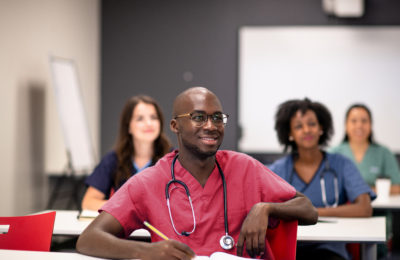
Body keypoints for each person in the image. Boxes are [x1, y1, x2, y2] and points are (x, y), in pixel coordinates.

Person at [76, 87, 318, 260]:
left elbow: (308, 209)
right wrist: (146, 251)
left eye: (217, 118)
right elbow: (89, 239)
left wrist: (266, 208)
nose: (211, 126)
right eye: (198, 118)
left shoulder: (244, 168)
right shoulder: (150, 182)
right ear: (175, 126)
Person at [268, 98, 375, 260]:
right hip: (292, 248)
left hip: (330, 248)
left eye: (312, 124)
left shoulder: (341, 164)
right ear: (289, 134)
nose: (306, 130)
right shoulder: (278, 170)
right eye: (298, 126)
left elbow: (364, 208)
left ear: (321, 128)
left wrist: (310, 212)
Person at [81, 95, 171, 210]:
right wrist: (124, 207)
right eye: (140, 119)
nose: (149, 123)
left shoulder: (172, 159)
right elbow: (88, 203)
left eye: (153, 117)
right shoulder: (113, 159)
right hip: (123, 226)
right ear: (128, 127)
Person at [330, 103, 400, 194]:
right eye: (354, 121)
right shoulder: (333, 154)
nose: (359, 125)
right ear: (346, 126)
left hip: (377, 207)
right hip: (344, 207)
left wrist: (366, 191)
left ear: (371, 125)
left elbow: (397, 187)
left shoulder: (384, 153)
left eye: (364, 121)